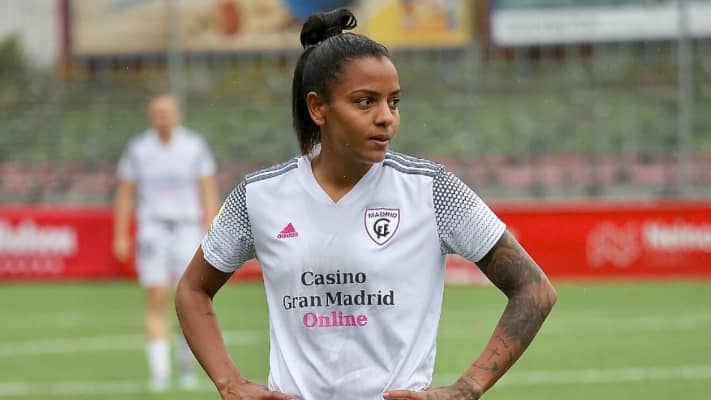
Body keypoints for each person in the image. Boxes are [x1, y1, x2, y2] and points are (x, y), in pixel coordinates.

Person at [176, 8, 557, 400]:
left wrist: (466, 389)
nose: (386, 118)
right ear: (317, 108)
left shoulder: (432, 190)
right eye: (365, 102)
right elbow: (192, 289)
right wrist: (230, 383)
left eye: (394, 102)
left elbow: (534, 290)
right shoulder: (259, 195)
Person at [113, 94, 220, 392]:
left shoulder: (194, 146)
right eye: (157, 112)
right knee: (157, 296)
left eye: (167, 112)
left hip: (187, 228)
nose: (162, 117)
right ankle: (159, 372)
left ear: (177, 114)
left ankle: (187, 368)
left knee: (189, 297)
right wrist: (120, 234)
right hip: (152, 229)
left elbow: (208, 189)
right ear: (151, 116)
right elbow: (125, 192)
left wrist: (213, 228)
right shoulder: (138, 148)